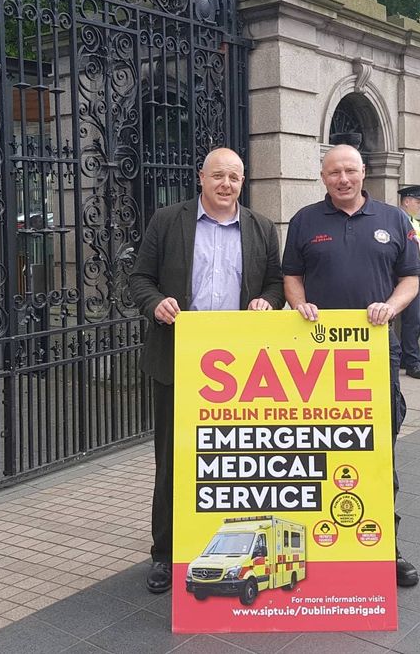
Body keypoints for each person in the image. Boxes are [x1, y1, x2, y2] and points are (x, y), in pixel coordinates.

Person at [129, 147, 285, 594]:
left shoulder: (261, 227)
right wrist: (155, 303)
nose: (226, 184)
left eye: (234, 177)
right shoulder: (167, 221)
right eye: (218, 175)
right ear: (201, 177)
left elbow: (275, 282)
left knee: (232, 462)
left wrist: (267, 301)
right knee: (172, 462)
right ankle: (165, 554)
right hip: (177, 360)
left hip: (240, 371)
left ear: (243, 182)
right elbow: (140, 278)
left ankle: (227, 546)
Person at [282, 144, 420, 588]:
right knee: (317, 448)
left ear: (363, 172)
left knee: (377, 450)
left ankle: (386, 547)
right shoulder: (304, 220)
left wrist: (391, 306)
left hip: (374, 353)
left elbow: (411, 279)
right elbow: (291, 276)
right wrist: (299, 305)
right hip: (316, 357)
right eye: (334, 172)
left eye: (350, 171)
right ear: (322, 177)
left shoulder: (394, 220)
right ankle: (320, 544)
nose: (343, 179)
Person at [398, 185, 420, 380]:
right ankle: (412, 362)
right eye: (417, 202)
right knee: (412, 320)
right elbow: (412, 247)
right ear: (407, 201)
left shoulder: (414, 221)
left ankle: (410, 357)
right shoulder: (400, 219)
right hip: (410, 276)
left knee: (417, 320)